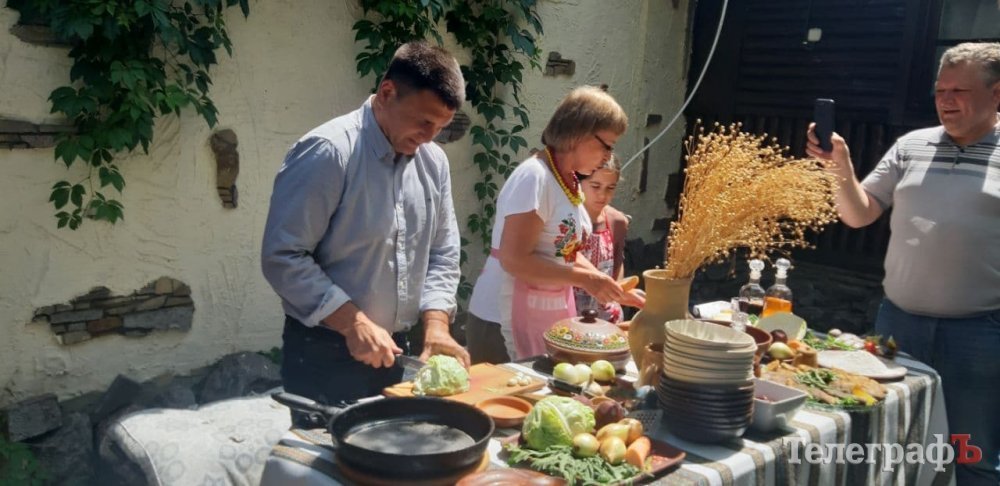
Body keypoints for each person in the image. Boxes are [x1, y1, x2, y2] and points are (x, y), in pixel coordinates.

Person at [806, 42, 1000, 486]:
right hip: (898, 324)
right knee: (892, 441)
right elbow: (859, 213)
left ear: (996, 94)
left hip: (980, 333)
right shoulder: (911, 146)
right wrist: (840, 167)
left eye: (960, 91)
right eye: (940, 91)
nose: (946, 101)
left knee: (971, 454)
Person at [261, 41, 470, 416]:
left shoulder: (434, 163)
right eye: (424, 122)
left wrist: (437, 325)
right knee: (321, 454)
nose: (430, 137)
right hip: (324, 353)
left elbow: (443, 252)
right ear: (387, 93)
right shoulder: (329, 152)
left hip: (395, 351)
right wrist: (353, 322)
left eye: (441, 127)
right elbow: (283, 256)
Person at [465, 86, 644, 364]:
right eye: (607, 145)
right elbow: (514, 260)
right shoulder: (534, 177)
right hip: (500, 320)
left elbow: (564, 252)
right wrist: (586, 280)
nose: (608, 156)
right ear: (578, 134)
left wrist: (608, 287)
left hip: (541, 311)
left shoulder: (567, 180)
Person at [573, 154, 630, 323]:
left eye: (610, 188)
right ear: (579, 182)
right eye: (595, 186)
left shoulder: (617, 221)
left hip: (606, 317)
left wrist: (618, 292)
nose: (602, 195)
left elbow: (617, 265)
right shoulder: (568, 220)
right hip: (570, 314)